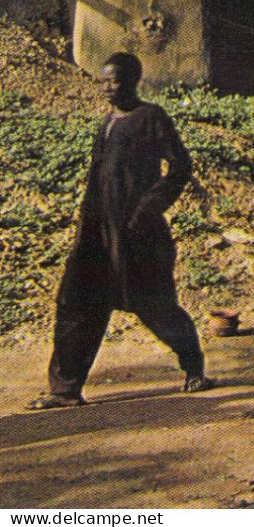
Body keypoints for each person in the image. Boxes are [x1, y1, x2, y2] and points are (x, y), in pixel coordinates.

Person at [27, 53, 213, 409]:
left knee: (154, 304)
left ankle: (194, 368)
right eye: (103, 80)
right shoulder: (108, 121)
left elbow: (180, 167)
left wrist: (147, 208)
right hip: (97, 231)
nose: (106, 87)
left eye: (113, 80)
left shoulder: (151, 117)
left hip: (137, 233)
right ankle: (65, 390)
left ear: (132, 80)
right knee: (77, 301)